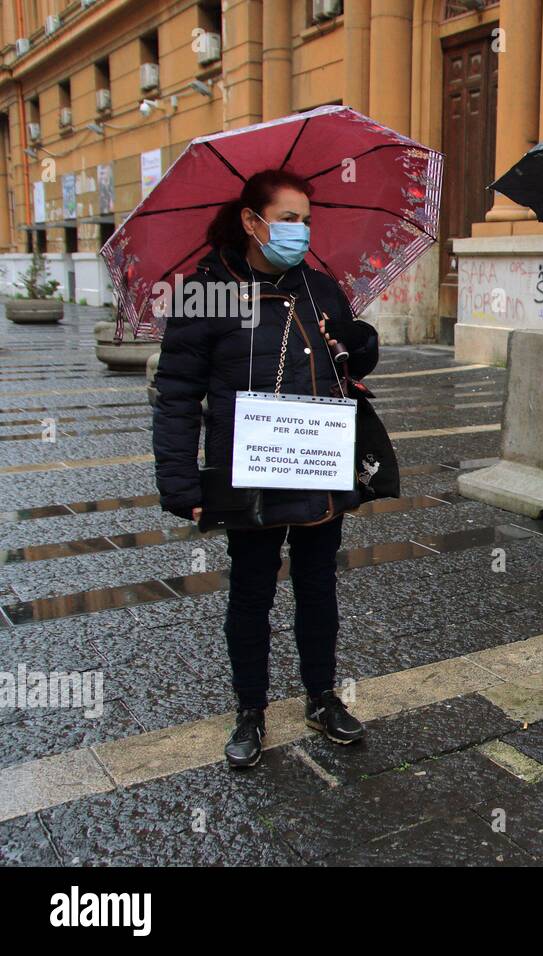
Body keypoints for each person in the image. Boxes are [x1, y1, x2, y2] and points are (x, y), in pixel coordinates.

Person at [152, 168, 379, 768]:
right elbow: (176, 392)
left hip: (317, 462)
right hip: (248, 471)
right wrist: (180, 482)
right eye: (288, 218)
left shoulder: (321, 287)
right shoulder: (206, 292)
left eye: (306, 220)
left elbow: (355, 358)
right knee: (252, 591)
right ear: (253, 222)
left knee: (318, 585)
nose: (299, 230)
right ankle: (250, 709)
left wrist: (357, 340)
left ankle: (321, 695)